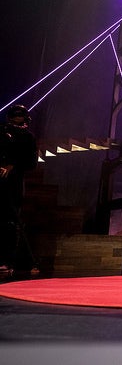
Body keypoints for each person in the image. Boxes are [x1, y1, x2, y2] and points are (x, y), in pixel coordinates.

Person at [0, 104, 38, 273]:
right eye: (14, 117)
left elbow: (31, 163)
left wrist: (12, 165)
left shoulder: (28, 137)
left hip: (14, 182)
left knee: (11, 221)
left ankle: (7, 261)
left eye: (20, 117)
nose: (17, 120)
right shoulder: (1, 132)